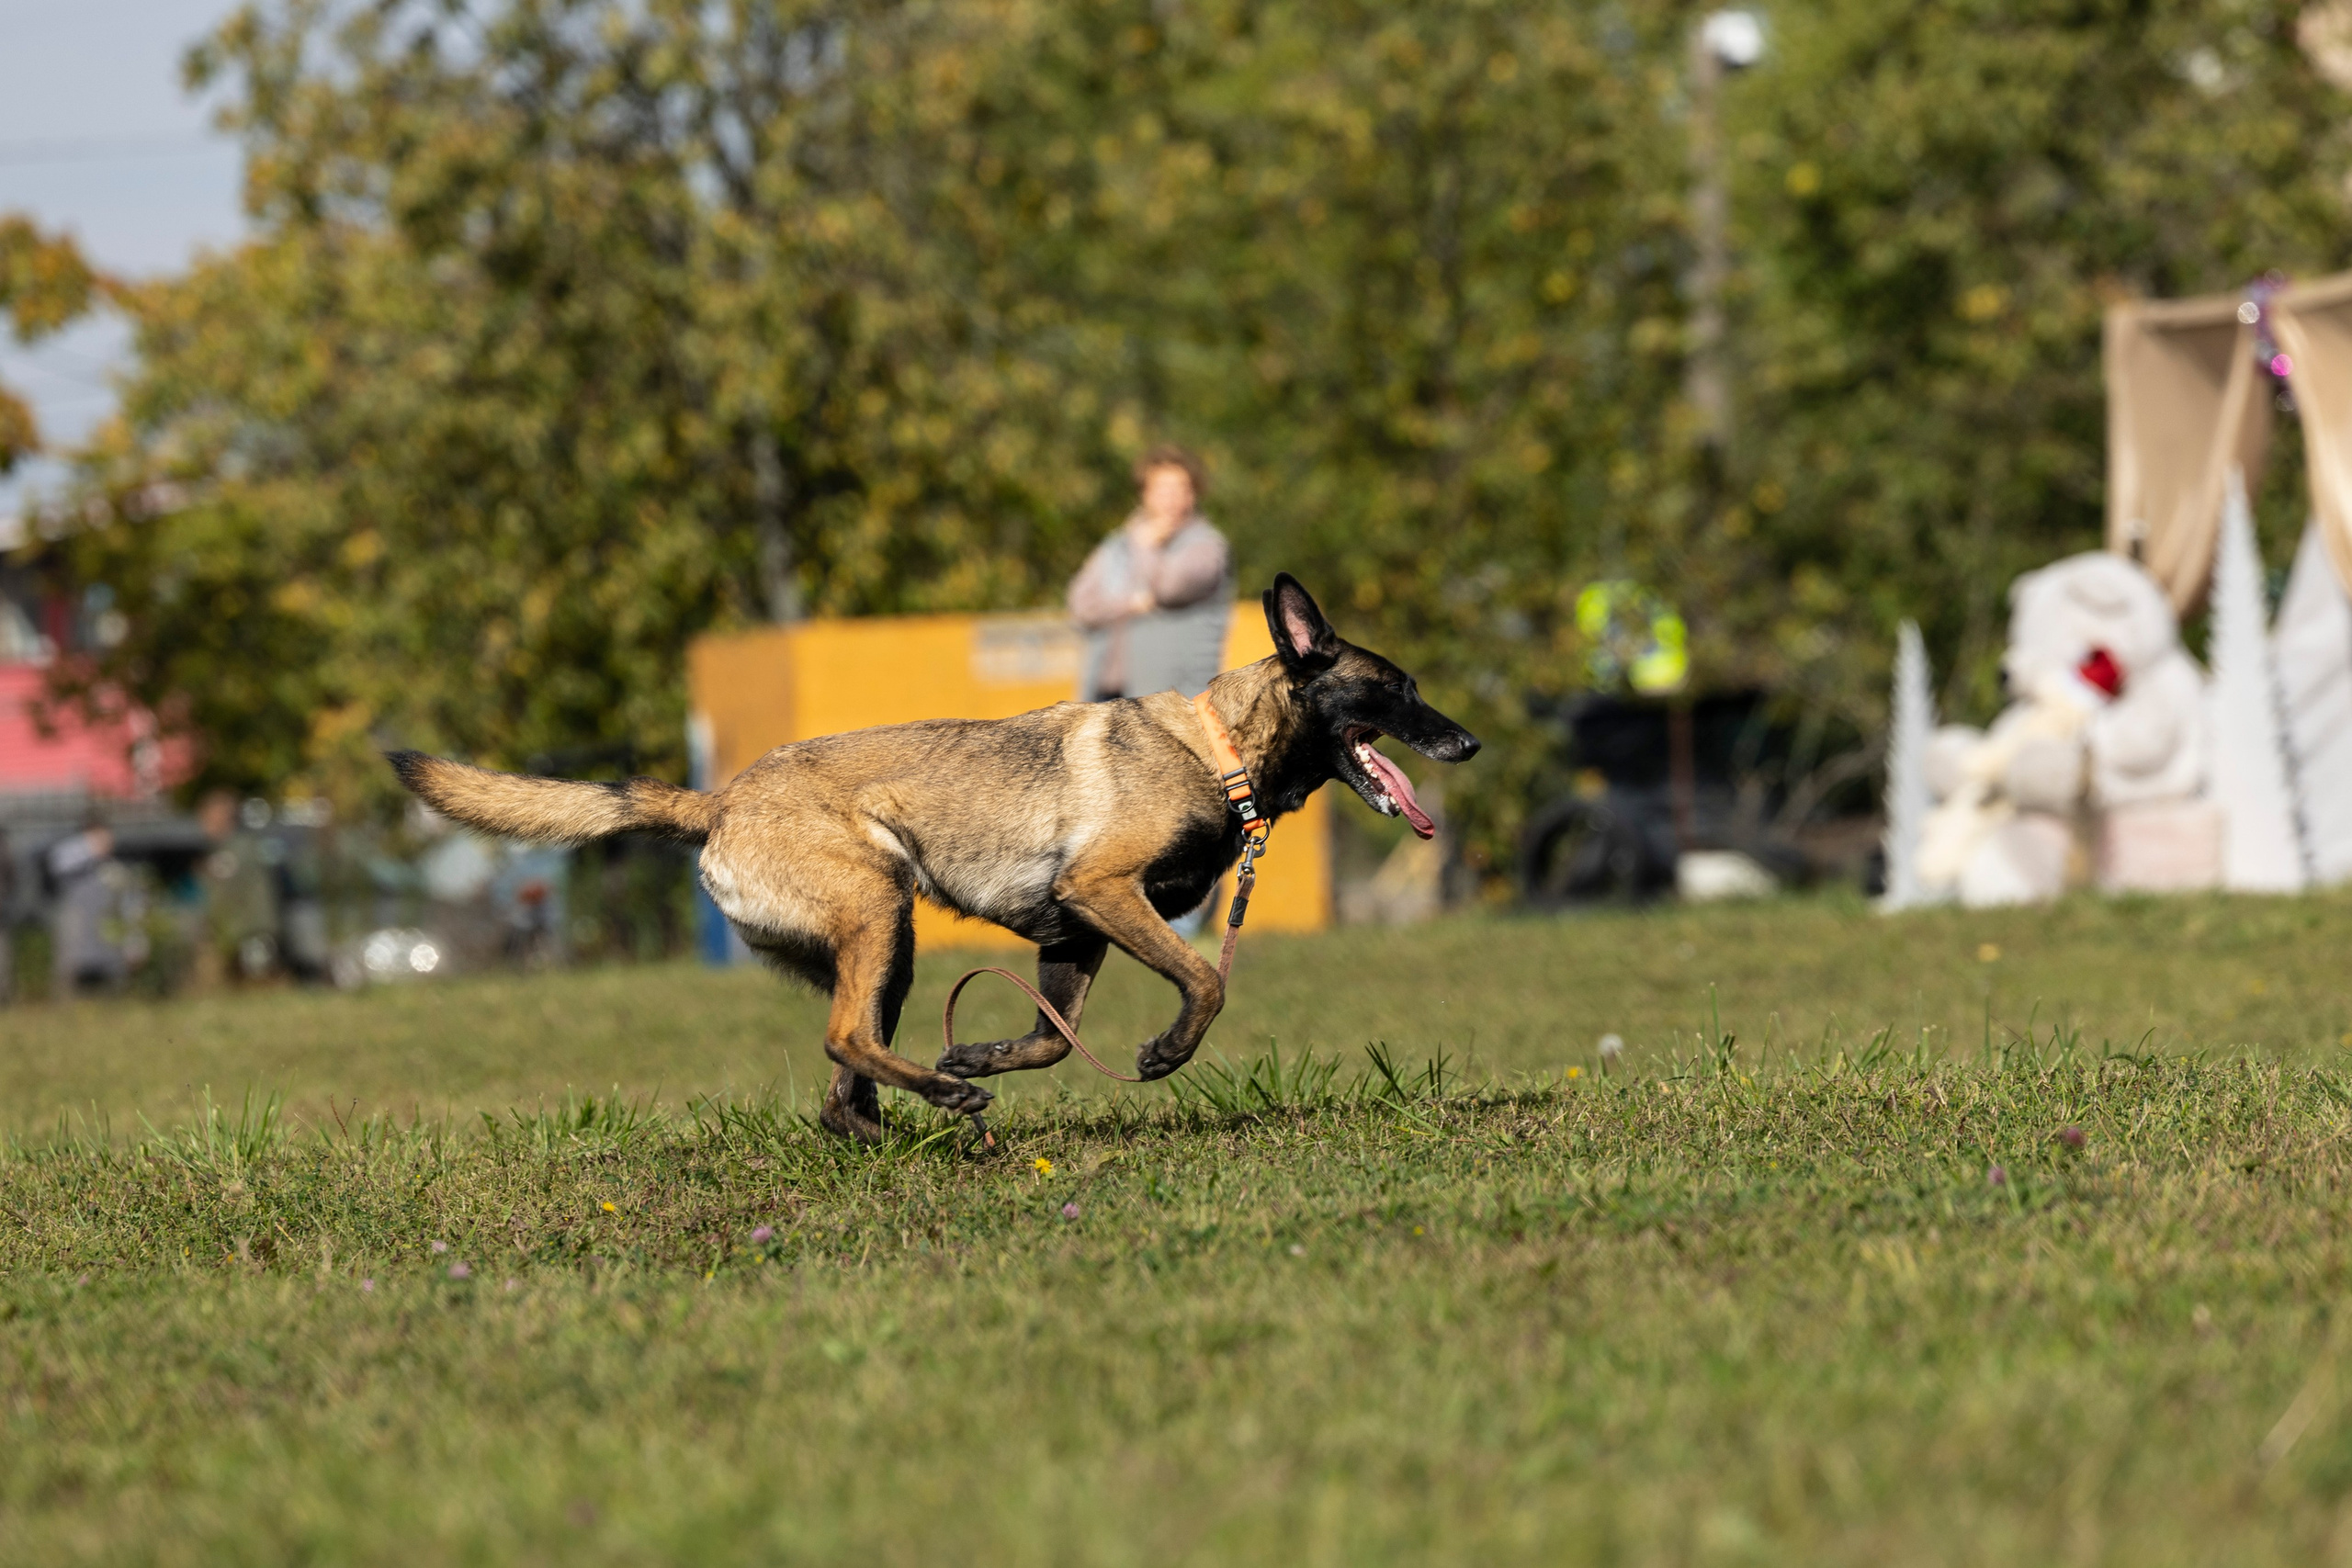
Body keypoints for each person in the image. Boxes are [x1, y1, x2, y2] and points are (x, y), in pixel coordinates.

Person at [1069, 445, 1233, 702]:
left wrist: (1148, 547)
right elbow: (1081, 605)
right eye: (1161, 489)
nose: (1170, 499)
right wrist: (1131, 605)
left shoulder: (1206, 547)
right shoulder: (1119, 546)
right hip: (1105, 694)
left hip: (1173, 702)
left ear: (1193, 494)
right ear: (1144, 494)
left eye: (1179, 489)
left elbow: (1169, 588)